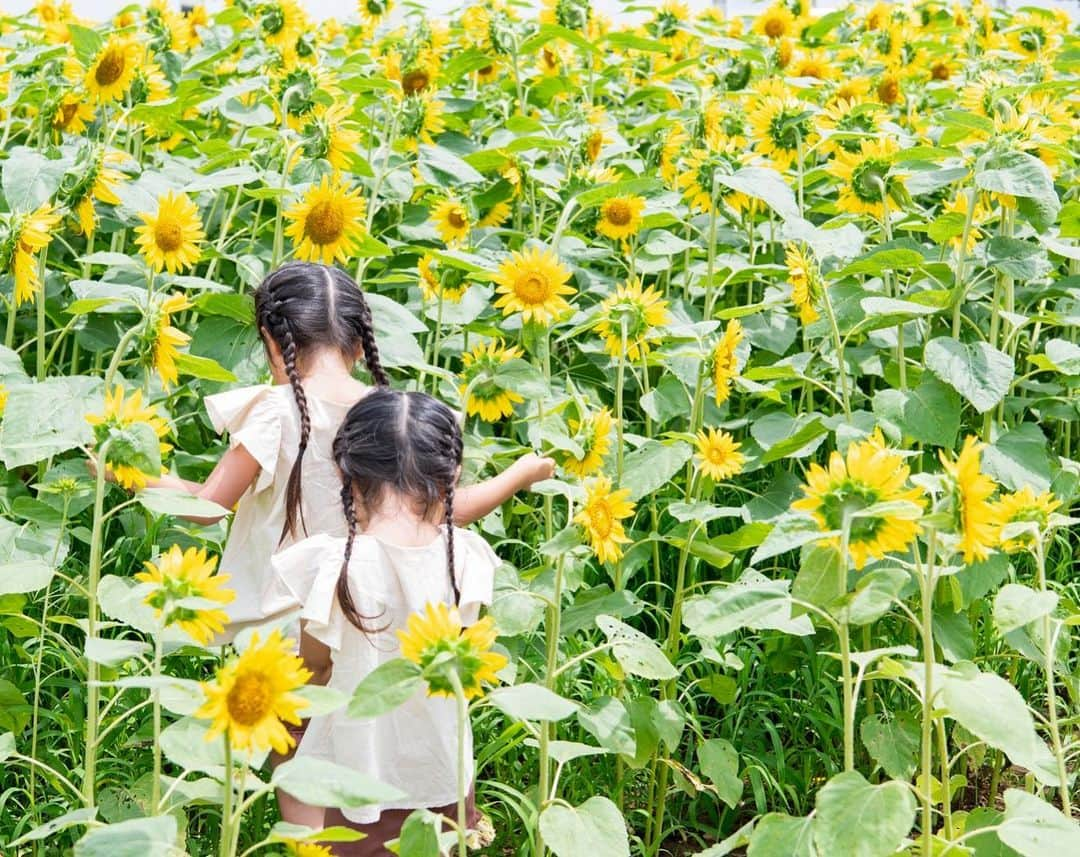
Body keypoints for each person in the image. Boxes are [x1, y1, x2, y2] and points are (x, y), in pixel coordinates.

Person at [143, 261, 553, 823]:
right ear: (361, 342)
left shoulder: (274, 411)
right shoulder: (385, 416)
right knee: (366, 757)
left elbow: (208, 505)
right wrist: (518, 476)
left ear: (270, 338)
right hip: (375, 617)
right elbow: (447, 510)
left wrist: (136, 472)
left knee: (302, 771)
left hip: (290, 634)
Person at [264, 389, 502, 855]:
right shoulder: (465, 558)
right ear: (452, 475)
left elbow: (314, 671)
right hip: (442, 770)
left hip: (358, 773)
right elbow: (467, 660)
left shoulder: (337, 565)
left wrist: (280, 733)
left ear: (344, 472)